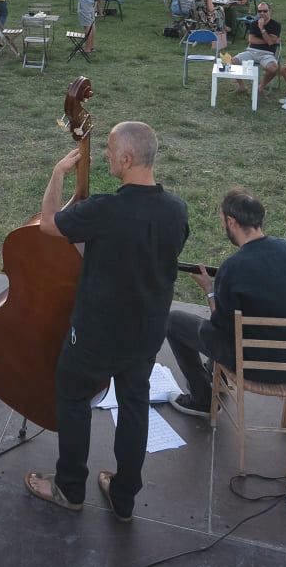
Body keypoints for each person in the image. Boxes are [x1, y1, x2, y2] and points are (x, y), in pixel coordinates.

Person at [27, 121, 188, 522]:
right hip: (148, 330)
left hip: (98, 332)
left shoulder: (106, 210)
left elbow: (47, 223)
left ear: (128, 159)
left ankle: (69, 488)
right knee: (134, 405)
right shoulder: (176, 209)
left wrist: (58, 173)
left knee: (73, 397)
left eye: (110, 151)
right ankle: (123, 497)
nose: (105, 156)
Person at [167, 189, 286, 417]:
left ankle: (202, 399)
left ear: (231, 222)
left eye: (222, 221)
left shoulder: (233, 268)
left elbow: (221, 330)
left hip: (253, 366)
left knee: (174, 321)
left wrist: (209, 290)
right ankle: (214, 377)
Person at [236, 1, 283, 90]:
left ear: (270, 11)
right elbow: (251, 40)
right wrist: (269, 40)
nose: (262, 13)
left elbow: (270, 42)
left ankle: (261, 87)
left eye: (265, 11)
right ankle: (242, 86)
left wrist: (262, 28)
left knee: (273, 68)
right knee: (234, 61)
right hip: (251, 51)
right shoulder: (254, 23)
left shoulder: (276, 25)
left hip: (267, 54)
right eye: (259, 11)